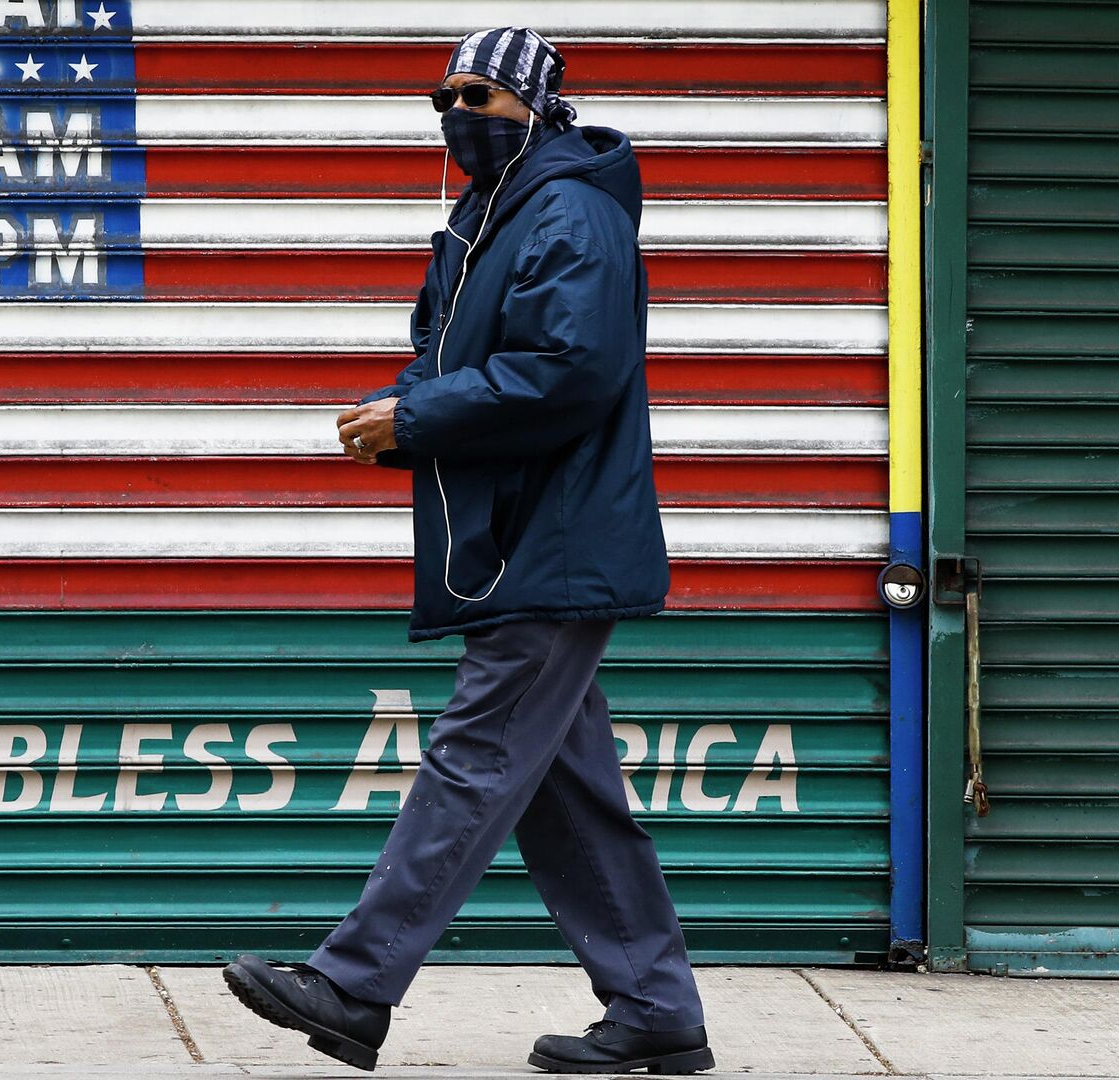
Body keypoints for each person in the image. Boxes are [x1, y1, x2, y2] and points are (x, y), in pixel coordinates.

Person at [220, 27, 713, 1075]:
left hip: (557, 534)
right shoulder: (485, 219)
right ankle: (657, 1009)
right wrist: (400, 409)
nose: (458, 115)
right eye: (443, 95)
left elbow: (568, 371)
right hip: (513, 536)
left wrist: (422, 416)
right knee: (565, 790)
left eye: (480, 95)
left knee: (476, 756)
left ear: (533, 104)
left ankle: (353, 984)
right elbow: (463, 358)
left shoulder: (567, 214)